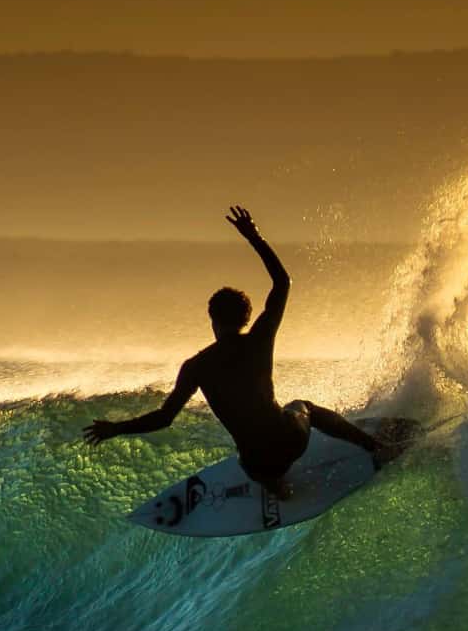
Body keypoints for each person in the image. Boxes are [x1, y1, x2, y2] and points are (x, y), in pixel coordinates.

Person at [83, 205, 391, 494]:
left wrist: (116, 429)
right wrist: (253, 236)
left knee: (252, 460)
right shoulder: (259, 338)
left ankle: (279, 491)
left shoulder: (196, 366)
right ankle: (375, 447)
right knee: (302, 405)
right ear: (246, 317)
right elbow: (282, 282)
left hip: (258, 464)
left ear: (212, 318)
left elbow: (164, 418)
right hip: (291, 441)